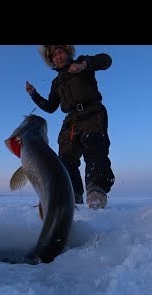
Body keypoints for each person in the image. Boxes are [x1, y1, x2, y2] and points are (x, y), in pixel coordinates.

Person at [26, 45, 115, 209]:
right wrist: (33, 94)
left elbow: (106, 60)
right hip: (71, 121)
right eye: (54, 55)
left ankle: (96, 191)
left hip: (92, 112)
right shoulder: (56, 82)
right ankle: (72, 196)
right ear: (51, 60)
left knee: (94, 150)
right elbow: (50, 107)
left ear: (67, 53)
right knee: (66, 160)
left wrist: (84, 65)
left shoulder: (82, 62)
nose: (58, 56)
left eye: (60, 52)